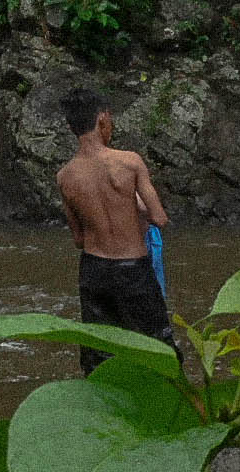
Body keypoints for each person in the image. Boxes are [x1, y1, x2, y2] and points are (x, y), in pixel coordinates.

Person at [54, 87, 177, 373]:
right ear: (103, 119)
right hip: (133, 269)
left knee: (100, 354)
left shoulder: (65, 176)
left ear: (71, 127)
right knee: (158, 349)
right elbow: (159, 218)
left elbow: (78, 239)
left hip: (93, 271)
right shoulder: (129, 162)